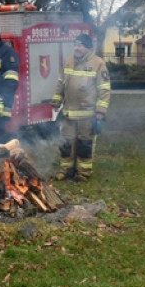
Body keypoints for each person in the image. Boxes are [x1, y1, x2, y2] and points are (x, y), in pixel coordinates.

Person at [51, 32, 111, 181]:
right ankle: (66, 171)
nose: (76, 48)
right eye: (75, 45)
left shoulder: (98, 64)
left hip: (87, 115)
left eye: (80, 45)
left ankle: (83, 174)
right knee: (66, 144)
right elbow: (61, 83)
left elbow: (104, 89)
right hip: (69, 113)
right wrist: (56, 100)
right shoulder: (69, 62)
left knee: (84, 145)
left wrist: (101, 111)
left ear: (88, 47)